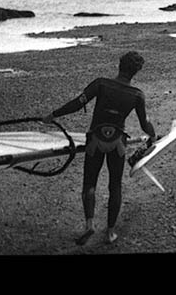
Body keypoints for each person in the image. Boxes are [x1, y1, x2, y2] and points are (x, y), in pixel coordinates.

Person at [42, 51, 156, 245]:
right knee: (115, 186)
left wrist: (53, 115)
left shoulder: (101, 84)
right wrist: (153, 136)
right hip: (117, 143)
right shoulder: (137, 95)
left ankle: (89, 224)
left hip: (95, 140)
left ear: (119, 65)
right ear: (136, 72)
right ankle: (110, 232)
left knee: (90, 183)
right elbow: (145, 123)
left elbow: (77, 104)